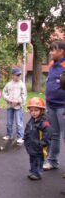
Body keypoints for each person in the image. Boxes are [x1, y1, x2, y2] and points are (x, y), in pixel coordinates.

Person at [43, 41, 65, 171]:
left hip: (63, 106)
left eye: (53, 50)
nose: (51, 52)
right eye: (50, 50)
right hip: (51, 105)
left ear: (61, 51)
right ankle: (52, 161)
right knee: (54, 134)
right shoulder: (52, 65)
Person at [24, 97, 51, 180]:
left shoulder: (44, 122)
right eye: (31, 111)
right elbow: (28, 129)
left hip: (39, 146)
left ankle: (37, 173)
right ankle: (33, 171)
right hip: (31, 145)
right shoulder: (32, 120)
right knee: (32, 160)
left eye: (36, 110)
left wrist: (43, 143)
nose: (34, 113)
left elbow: (48, 133)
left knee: (38, 161)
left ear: (41, 110)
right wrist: (25, 137)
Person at [2, 68, 27, 145]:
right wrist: (9, 99)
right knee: (9, 122)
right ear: (12, 75)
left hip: (18, 107)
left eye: (20, 75)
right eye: (17, 75)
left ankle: (20, 137)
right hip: (10, 105)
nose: (19, 76)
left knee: (19, 122)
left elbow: (24, 95)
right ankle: (9, 135)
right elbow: (4, 92)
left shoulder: (22, 84)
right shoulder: (8, 84)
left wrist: (18, 101)